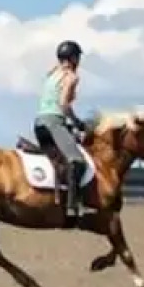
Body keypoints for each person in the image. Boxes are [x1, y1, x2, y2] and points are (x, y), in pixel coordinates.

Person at [33, 39, 88, 217]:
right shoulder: (72, 77)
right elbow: (63, 103)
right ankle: (72, 207)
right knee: (77, 161)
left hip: (39, 123)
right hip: (53, 123)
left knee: (60, 159)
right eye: (78, 57)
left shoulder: (52, 73)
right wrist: (77, 121)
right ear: (72, 58)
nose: (79, 61)